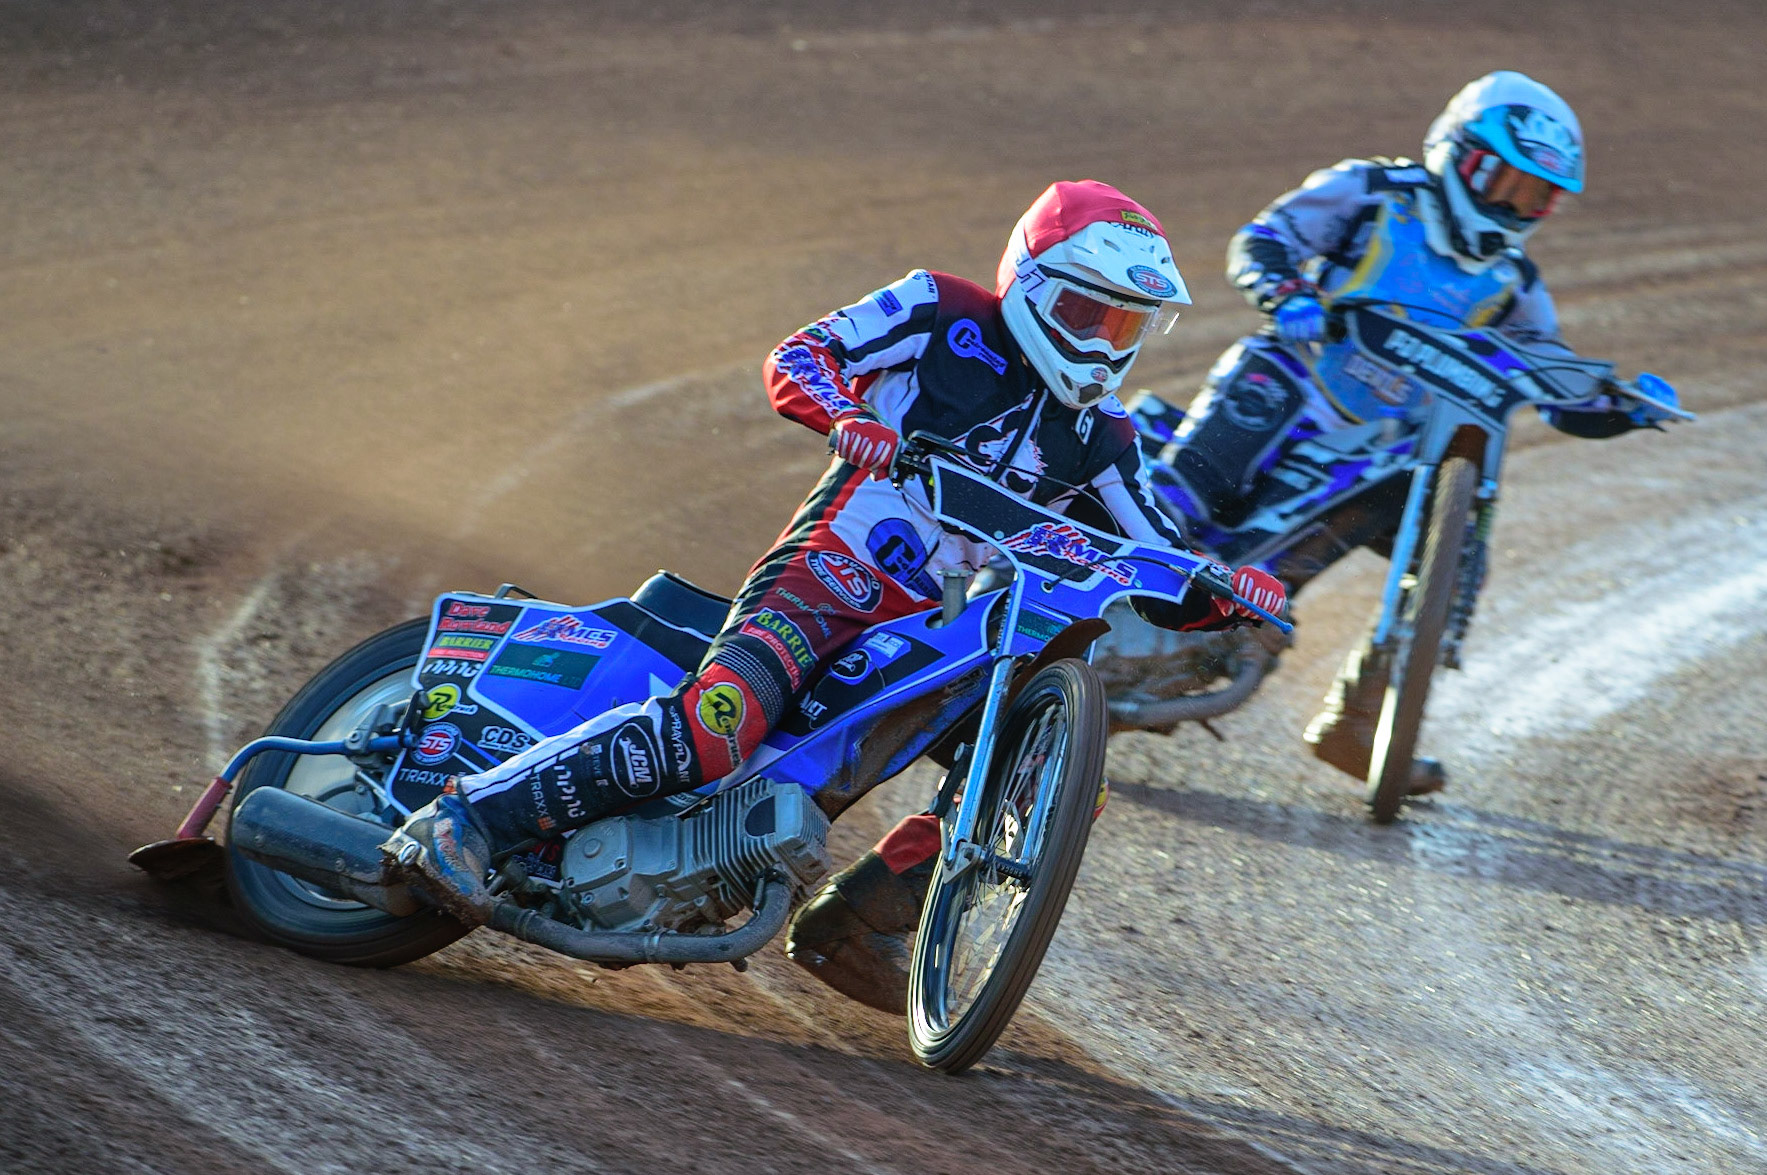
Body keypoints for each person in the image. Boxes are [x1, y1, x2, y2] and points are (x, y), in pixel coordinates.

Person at [381, 183, 1289, 1009]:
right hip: (824, 577)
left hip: (933, 632)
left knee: (1051, 785)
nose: (1102, 344)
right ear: (1032, 281)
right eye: (1088, 313)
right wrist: (848, 419)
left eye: (1126, 328)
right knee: (714, 726)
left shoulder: (1102, 436)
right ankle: (465, 819)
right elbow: (805, 352)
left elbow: (1159, 555)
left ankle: (859, 923)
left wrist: (1230, 592)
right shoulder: (941, 311)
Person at [1150, 71, 1682, 793]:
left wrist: (1621, 407)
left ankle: (1364, 720)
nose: (1513, 206)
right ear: (1458, 155)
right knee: (1192, 481)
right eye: (1505, 182)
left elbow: (1553, 394)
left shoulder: (1514, 284)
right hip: (1296, 378)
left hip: (1379, 448)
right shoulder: (1372, 192)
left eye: (1534, 196)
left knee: (1453, 538)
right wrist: (1288, 294)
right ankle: (1105, 580)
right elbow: (1263, 239)